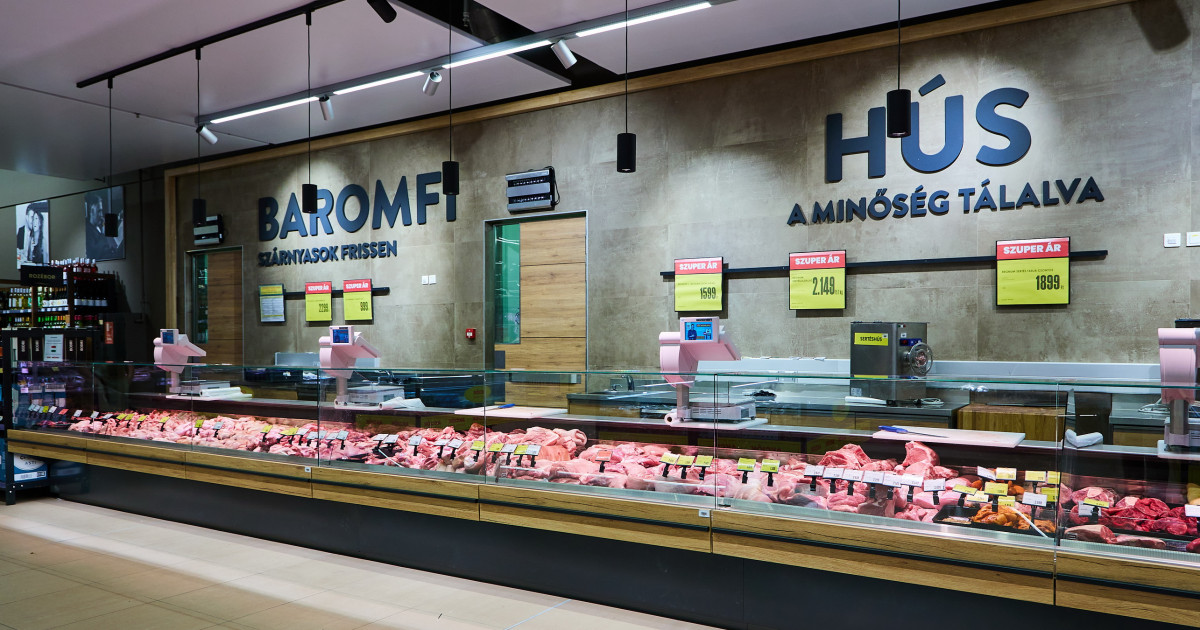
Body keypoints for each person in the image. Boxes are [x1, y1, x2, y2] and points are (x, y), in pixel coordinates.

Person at [85, 190, 123, 260]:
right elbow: (94, 254)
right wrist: (103, 234)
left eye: (101, 211)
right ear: (91, 211)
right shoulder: (87, 230)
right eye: (99, 211)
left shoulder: (99, 227)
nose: (101, 215)